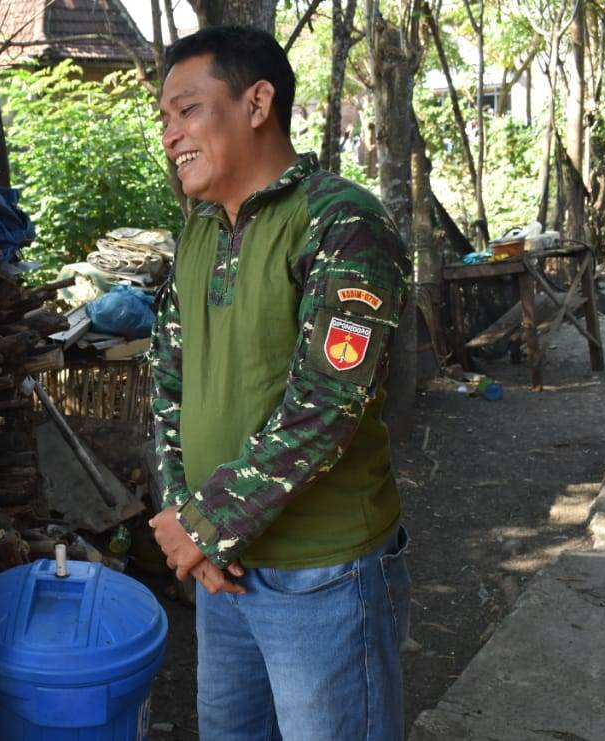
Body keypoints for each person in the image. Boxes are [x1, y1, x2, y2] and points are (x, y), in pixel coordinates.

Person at [149, 26, 413, 740]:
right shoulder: (199, 230)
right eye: (165, 118)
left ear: (257, 101)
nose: (171, 134)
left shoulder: (341, 222)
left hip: (322, 576)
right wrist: (188, 518)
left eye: (188, 109)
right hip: (224, 573)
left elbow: (330, 400)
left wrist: (202, 524)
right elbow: (168, 376)